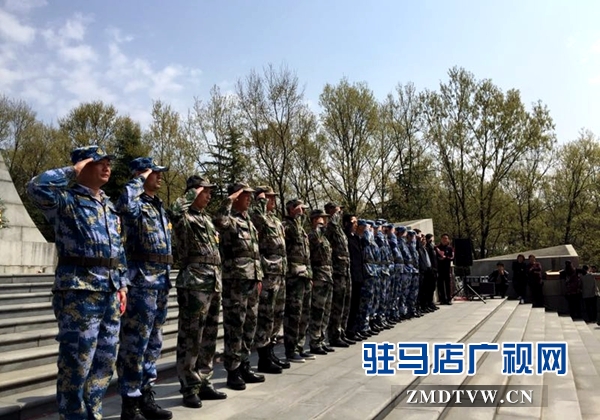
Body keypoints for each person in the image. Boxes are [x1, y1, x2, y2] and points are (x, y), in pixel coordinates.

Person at [27, 145, 128, 420]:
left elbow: (118, 249)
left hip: (109, 291)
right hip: (79, 292)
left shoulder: (108, 205)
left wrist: (122, 285)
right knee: (77, 363)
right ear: (83, 166)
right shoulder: (65, 200)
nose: (107, 167)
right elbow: (35, 187)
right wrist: (73, 171)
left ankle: (93, 413)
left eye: (109, 162)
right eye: (99, 162)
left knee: (104, 361)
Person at [116, 157, 173, 420]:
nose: (159, 176)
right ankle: (130, 402)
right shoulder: (135, 203)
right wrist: (137, 180)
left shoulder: (157, 206)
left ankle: (146, 394)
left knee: (153, 342)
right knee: (134, 344)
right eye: (154, 172)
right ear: (141, 175)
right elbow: (124, 207)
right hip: (141, 281)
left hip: (160, 281)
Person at [169, 176, 227, 408]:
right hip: (194, 281)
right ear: (194, 191)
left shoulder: (206, 219)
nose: (209, 196)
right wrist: (192, 192)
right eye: (205, 191)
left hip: (212, 281)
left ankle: (204, 381)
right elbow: (174, 210)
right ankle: (189, 387)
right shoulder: (184, 216)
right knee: (191, 337)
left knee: (209, 336)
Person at [213, 182, 265, 390]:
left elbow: (254, 253)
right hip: (235, 281)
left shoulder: (248, 221)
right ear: (236, 197)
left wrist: (258, 277)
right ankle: (233, 371)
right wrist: (229, 200)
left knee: (249, 325)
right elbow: (219, 220)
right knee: (235, 327)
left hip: (251, 280)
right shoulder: (230, 220)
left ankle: (244, 365)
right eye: (245, 195)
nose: (249, 198)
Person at [251, 186, 289, 373]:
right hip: (268, 274)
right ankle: (263, 358)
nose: (272, 200)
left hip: (280, 273)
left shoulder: (275, 220)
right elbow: (258, 217)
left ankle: (271, 352)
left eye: (273, 197)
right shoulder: (258, 217)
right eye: (269, 197)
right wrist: (260, 200)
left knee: (277, 315)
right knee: (266, 316)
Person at [282, 199, 314, 363]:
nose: (303, 212)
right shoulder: (286, 226)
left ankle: (299, 347)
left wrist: (310, 274)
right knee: (294, 314)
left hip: (305, 275)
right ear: (292, 209)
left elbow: (306, 255)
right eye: (301, 208)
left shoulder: (300, 228)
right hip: (294, 276)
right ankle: (291, 349)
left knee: (304, 314)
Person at [324, 202, 354, 347]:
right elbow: (332, 223)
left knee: (345, 304)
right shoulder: (330, 226)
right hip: (337, 272)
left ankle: (342, 332)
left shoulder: (339, 229)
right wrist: (335, 213)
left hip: (345, 271)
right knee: (337, 305)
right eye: (337, 210)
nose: (340, 213)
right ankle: (334, 335)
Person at [307, 209, 335, 355]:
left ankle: (322, 340)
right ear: (314, 220)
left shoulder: (324, 237)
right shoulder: (312, 235)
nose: (324, 221)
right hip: (318, 276)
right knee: (318, 311)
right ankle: (315, 341)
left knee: (326, 311)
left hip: (327, 276)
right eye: (321, 218)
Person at [343, 214, 366, 341]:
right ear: (347, 223)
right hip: (350, 275)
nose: (356, 224)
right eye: (353, 222)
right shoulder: (345, 237)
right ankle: (348, 331)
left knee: (357, 304)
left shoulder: (356, 238)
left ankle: (354, 329)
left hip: (358, 275)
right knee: (350, 306)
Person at [436, 234, 454, 305]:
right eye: (443, 238)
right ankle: (442, 299)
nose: (445, 240)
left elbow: (452, 257)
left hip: (447, 268)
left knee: (448, 284)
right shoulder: (437, 247)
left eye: (446, 238)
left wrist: (445, 258)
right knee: (440, 284)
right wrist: (439, 258)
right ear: (441, 239)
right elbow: (435, 257)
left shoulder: (450, 248)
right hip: (439, 268)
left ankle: (449, 299)